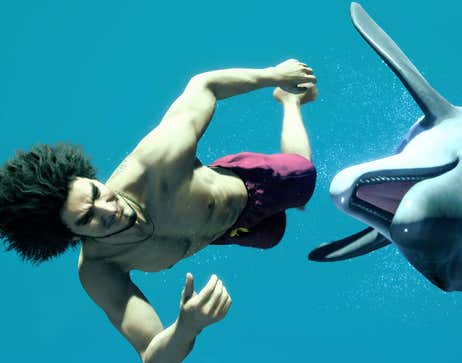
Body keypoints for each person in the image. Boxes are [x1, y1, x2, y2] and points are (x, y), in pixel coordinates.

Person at [0, 59, 317, 363]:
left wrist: (274, 75)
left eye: (97, 192)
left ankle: (288, 103)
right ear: (72, 236)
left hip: (248, 184)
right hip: (232, 232)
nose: (109, 208)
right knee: (276, 233)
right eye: (88, 218)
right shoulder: (100, 269)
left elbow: (204, 85)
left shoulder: (154, 162)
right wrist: (186, 328)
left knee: (304, 185)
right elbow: (153, 356)